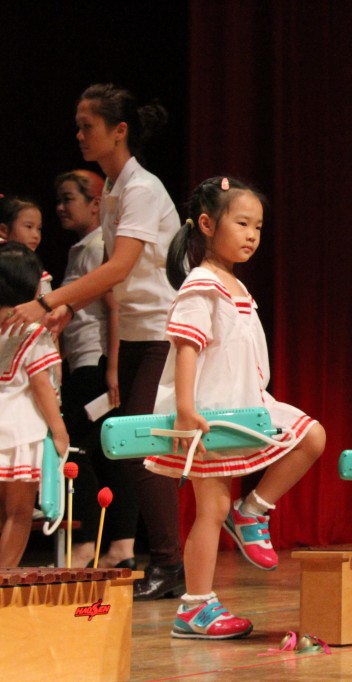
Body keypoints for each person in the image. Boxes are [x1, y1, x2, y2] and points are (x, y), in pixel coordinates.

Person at [0, 83, 184, 599]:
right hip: (136, 335)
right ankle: (164, 561)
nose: (79, 134)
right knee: (127, 447)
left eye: (88, 126)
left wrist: (47, 302)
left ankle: (169, 564)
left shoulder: (142, 189)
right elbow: (108, 274)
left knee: (144, 447)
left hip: (163, 332)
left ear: (119, 131)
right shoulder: (116, 191)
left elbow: (121, 266)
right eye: (78, 126)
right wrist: (67, 308)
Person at [144, 176, 325, 639]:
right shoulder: (202, 284)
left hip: (246, 403)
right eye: (242, 223)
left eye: (258, 227)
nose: (252, 235)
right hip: (210, 412)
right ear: (207, 224)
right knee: (211, 507)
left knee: (312, 436)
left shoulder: (234, 285)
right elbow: (187, 348)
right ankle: (195, 606)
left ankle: (253, 509)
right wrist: (186, 410)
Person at [53, 169, 126, 568]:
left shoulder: (100, 246)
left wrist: (112, 369)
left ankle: (87, 544)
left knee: (75, 450)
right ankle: (118, 547)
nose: (61, 207)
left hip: (95, 364)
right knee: (99, 455)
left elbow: (115, 310)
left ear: (95, 204)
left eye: (69, 198)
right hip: (81, 363)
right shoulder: (80, 248)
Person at [0, 243, 67, 566]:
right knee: (19, 513)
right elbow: (42, 385)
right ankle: (3, 577)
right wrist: (59, 430)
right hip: (21, 433)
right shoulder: (31, 332)